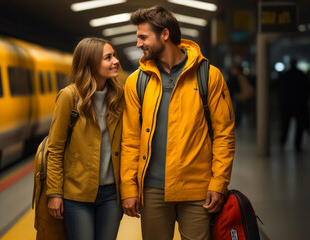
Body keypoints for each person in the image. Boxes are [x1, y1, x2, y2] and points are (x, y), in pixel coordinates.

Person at [120, 6, 235, 240]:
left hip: (197, 191)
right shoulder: (136, 82)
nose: (138, 44)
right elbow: (130, 139)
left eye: (143, 37)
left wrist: (218, 183)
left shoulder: (209, 76)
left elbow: (224, 134)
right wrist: (129, 189)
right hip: (152, 191)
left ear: (164, 34)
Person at [46, 37, 124, 240]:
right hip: (77, 194)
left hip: (112, 195)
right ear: (90, 63)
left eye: (114, 55)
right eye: (108, 57)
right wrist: (54, 193)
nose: (115, 61)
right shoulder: (69, 97)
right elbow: (54, 148)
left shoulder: (119, 97)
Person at [279, 58, 309, 151]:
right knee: (299, 126)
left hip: (287, 104)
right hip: (299, 104)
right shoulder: (301, 74)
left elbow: (281, 90)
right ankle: (297, 145)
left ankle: (283, 141)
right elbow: (306, 89)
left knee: (285, 125)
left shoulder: (286, 75)